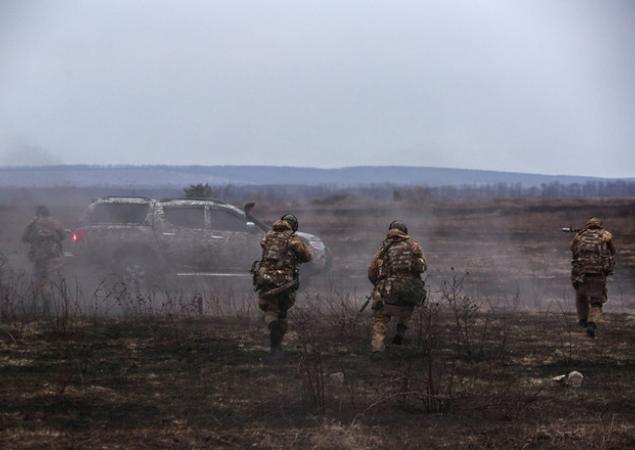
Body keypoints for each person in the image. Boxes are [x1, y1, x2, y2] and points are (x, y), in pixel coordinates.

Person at [253, 214, 312, 359]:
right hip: (285, 281)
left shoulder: (267, 236)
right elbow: (307, 257)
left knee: (270, 310)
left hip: (265, 278)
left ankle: (274, 343)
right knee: (282, 312)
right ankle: (277, 346)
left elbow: (264, 246)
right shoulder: (293, 239)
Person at [368, 220, 427, 359]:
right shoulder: (413, 245)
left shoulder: (384, 248)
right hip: (409, 287)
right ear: (404, 232)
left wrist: (377, 283)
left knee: (381, 318)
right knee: (406, 311)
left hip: (388, 287)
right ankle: (399, 336)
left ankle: (377, 348)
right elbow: (423, 267)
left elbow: (372, 270)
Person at [570, 217, 616, 338]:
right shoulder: (606, 236)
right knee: (596, 302)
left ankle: (582, 319)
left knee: (581, 296)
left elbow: (573, 251)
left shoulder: (579, 235)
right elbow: (613, 252)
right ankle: (591, 323)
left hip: (581, 274)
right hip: (598, 274)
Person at [22, 206, 65, 314]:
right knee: (48, 281)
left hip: (38, 258)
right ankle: (47, 307)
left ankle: (34, 306)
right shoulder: (55, 223)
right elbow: (63, 236)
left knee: (38, 280)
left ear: (38, 214)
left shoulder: (33, 223)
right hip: (53, 258)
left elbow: (24, 238)